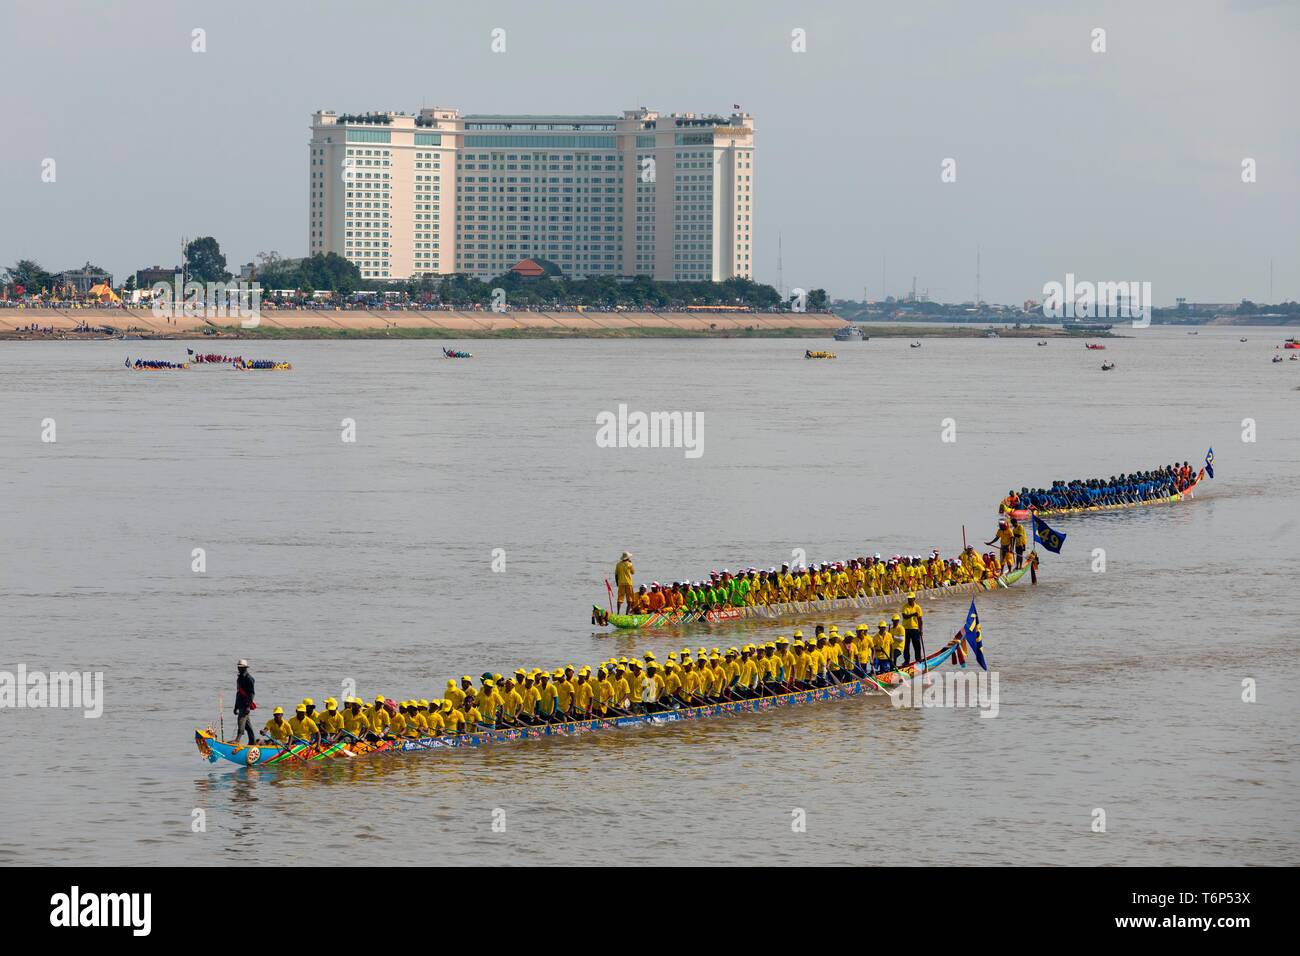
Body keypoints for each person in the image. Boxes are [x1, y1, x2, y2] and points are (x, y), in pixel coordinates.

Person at [233, 659, 256, 744]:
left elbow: (252, 693)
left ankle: (237, 740)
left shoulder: (249, 679)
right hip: (240, 704)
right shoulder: (239, 678)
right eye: (238, 667)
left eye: (241, 667)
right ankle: (252, 741)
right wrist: (235, 706)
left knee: (241, 720)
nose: (239, 669)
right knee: (247, 725)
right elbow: (238, 693)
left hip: (246, 704)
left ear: (246, 668)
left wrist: (248, 706)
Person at [900, 593, 924, 665]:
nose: (909, 600)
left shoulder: (918, 608)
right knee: (906, 646)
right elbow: (905, 616)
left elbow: (920, 620)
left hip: (915, 629)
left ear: (914, 599)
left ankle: (918, 659)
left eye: (911, 599)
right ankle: (906, 661)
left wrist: (921, 630)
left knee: (917, 646)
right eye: (908, 599)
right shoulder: (904, 607)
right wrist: (913, 614)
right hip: (906, 629)